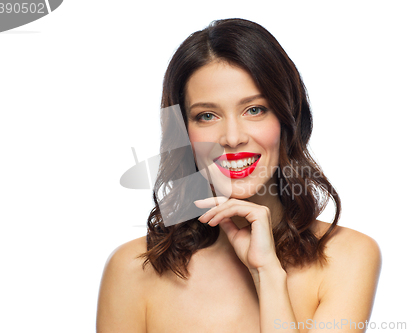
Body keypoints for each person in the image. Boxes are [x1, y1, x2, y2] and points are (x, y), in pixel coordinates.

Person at [96, 18, 381, 333]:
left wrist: (267, 275)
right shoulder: (132, 270)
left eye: (254, 110)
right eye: (207, 115)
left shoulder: (349, 257)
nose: (232, 138)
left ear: (288, 118)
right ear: (183, 133)